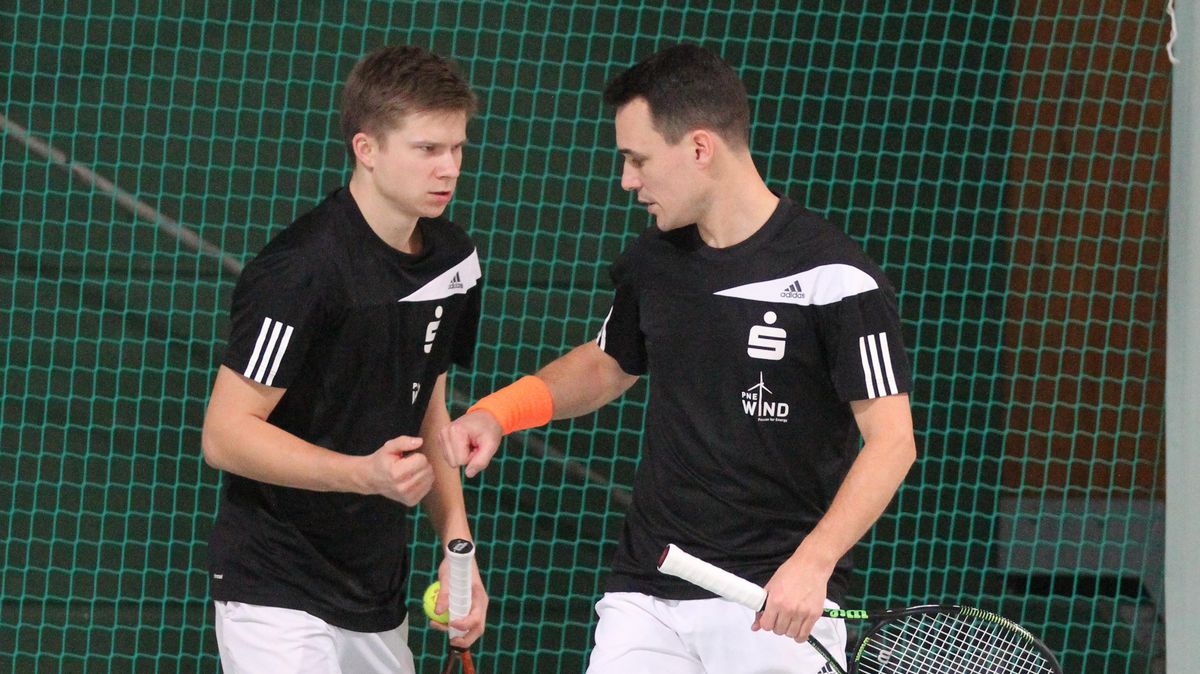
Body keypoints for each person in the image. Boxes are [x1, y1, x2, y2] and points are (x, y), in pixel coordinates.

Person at [439, 44, 916, 673]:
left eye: (637, 159)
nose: (627, 180)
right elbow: (609, 363)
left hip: (772, 601)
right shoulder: (656, 259)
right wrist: (499, 413)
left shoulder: (837, 278)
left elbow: (892, 443)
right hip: (647, 588)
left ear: (698, 148)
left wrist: (815, 562)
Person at [201, 44, 488, 674]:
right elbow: (225, 435)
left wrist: (457, 550)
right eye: (427, 149)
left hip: (377, 593)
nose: (449, 168)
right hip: (276, 589)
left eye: (457, 148)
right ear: (367, 148)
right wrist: (363, 473)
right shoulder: (302, 270)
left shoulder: (454, 262)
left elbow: (428, 406)